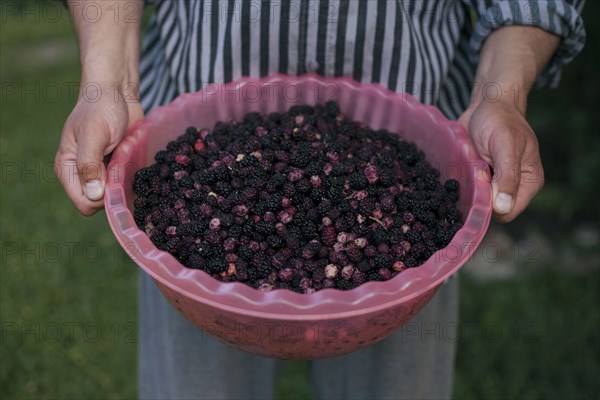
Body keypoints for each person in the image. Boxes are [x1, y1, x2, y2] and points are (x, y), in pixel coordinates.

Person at [56, 1, 585, 399]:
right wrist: (107, 81)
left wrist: (501, 94)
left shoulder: (393, 210)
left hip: (413, 173)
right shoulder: (198, 205)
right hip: (193, 153)